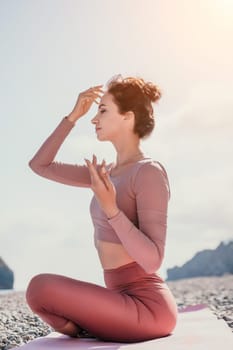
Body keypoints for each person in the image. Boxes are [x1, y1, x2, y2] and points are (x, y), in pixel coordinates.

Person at [26, 75, 177, 343]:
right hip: (117, 298)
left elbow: (153, 260)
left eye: (103, 110)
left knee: (41, 287)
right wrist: (72, 117)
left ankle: (92, 327)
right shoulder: (105, 173)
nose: (94, 119)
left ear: (127, 117)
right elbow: (40, 165)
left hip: (148, 308)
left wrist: (112, 209)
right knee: (38, 290)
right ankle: (91, 327)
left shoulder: (148, 172)